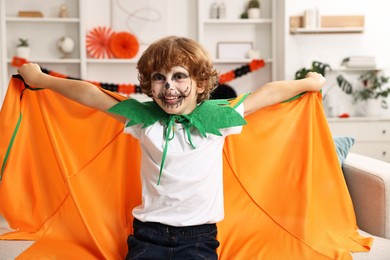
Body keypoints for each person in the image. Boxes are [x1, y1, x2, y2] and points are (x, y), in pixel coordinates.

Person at [17, 35, 325, 259]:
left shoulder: (217, 118)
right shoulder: (143, 118)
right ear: (149, 86)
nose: (169, 86)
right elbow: (90, 95)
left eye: (179, 76)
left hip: (199, 238)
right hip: (148, 235)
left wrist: (310, 83)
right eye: (159, 78)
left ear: (201, 84)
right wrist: (42, 79)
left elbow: (268, 93)